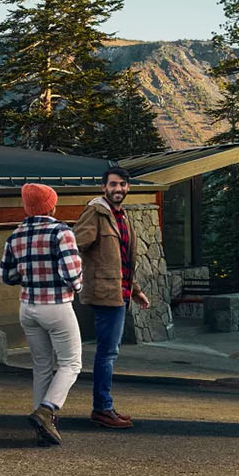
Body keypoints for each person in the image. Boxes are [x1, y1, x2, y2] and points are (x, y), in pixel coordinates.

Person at [0, 182, 84, 447]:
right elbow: (71, 274)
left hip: (28, 307)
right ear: (51, 205)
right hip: (57, 306)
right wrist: (78, 285)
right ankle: (47, 409)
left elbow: (7, 276)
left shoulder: (15, 236)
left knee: (42, 366)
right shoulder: (62, 233)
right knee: (71, 363)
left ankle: (43, 426)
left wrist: (30, 276)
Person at [73, 166, 152, 430]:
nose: (118, 189)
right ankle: (103, 409)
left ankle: (104, 406)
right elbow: (74, 247)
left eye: (122, 185)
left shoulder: (121, 216)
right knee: (107, 353)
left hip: (121, 293)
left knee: (109, 352)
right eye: (113, 185)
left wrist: (137, 290)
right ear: (104, 187)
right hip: (104, 294)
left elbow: (122, 262)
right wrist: (70, 280)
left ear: (127, 188)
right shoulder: (95, 213)